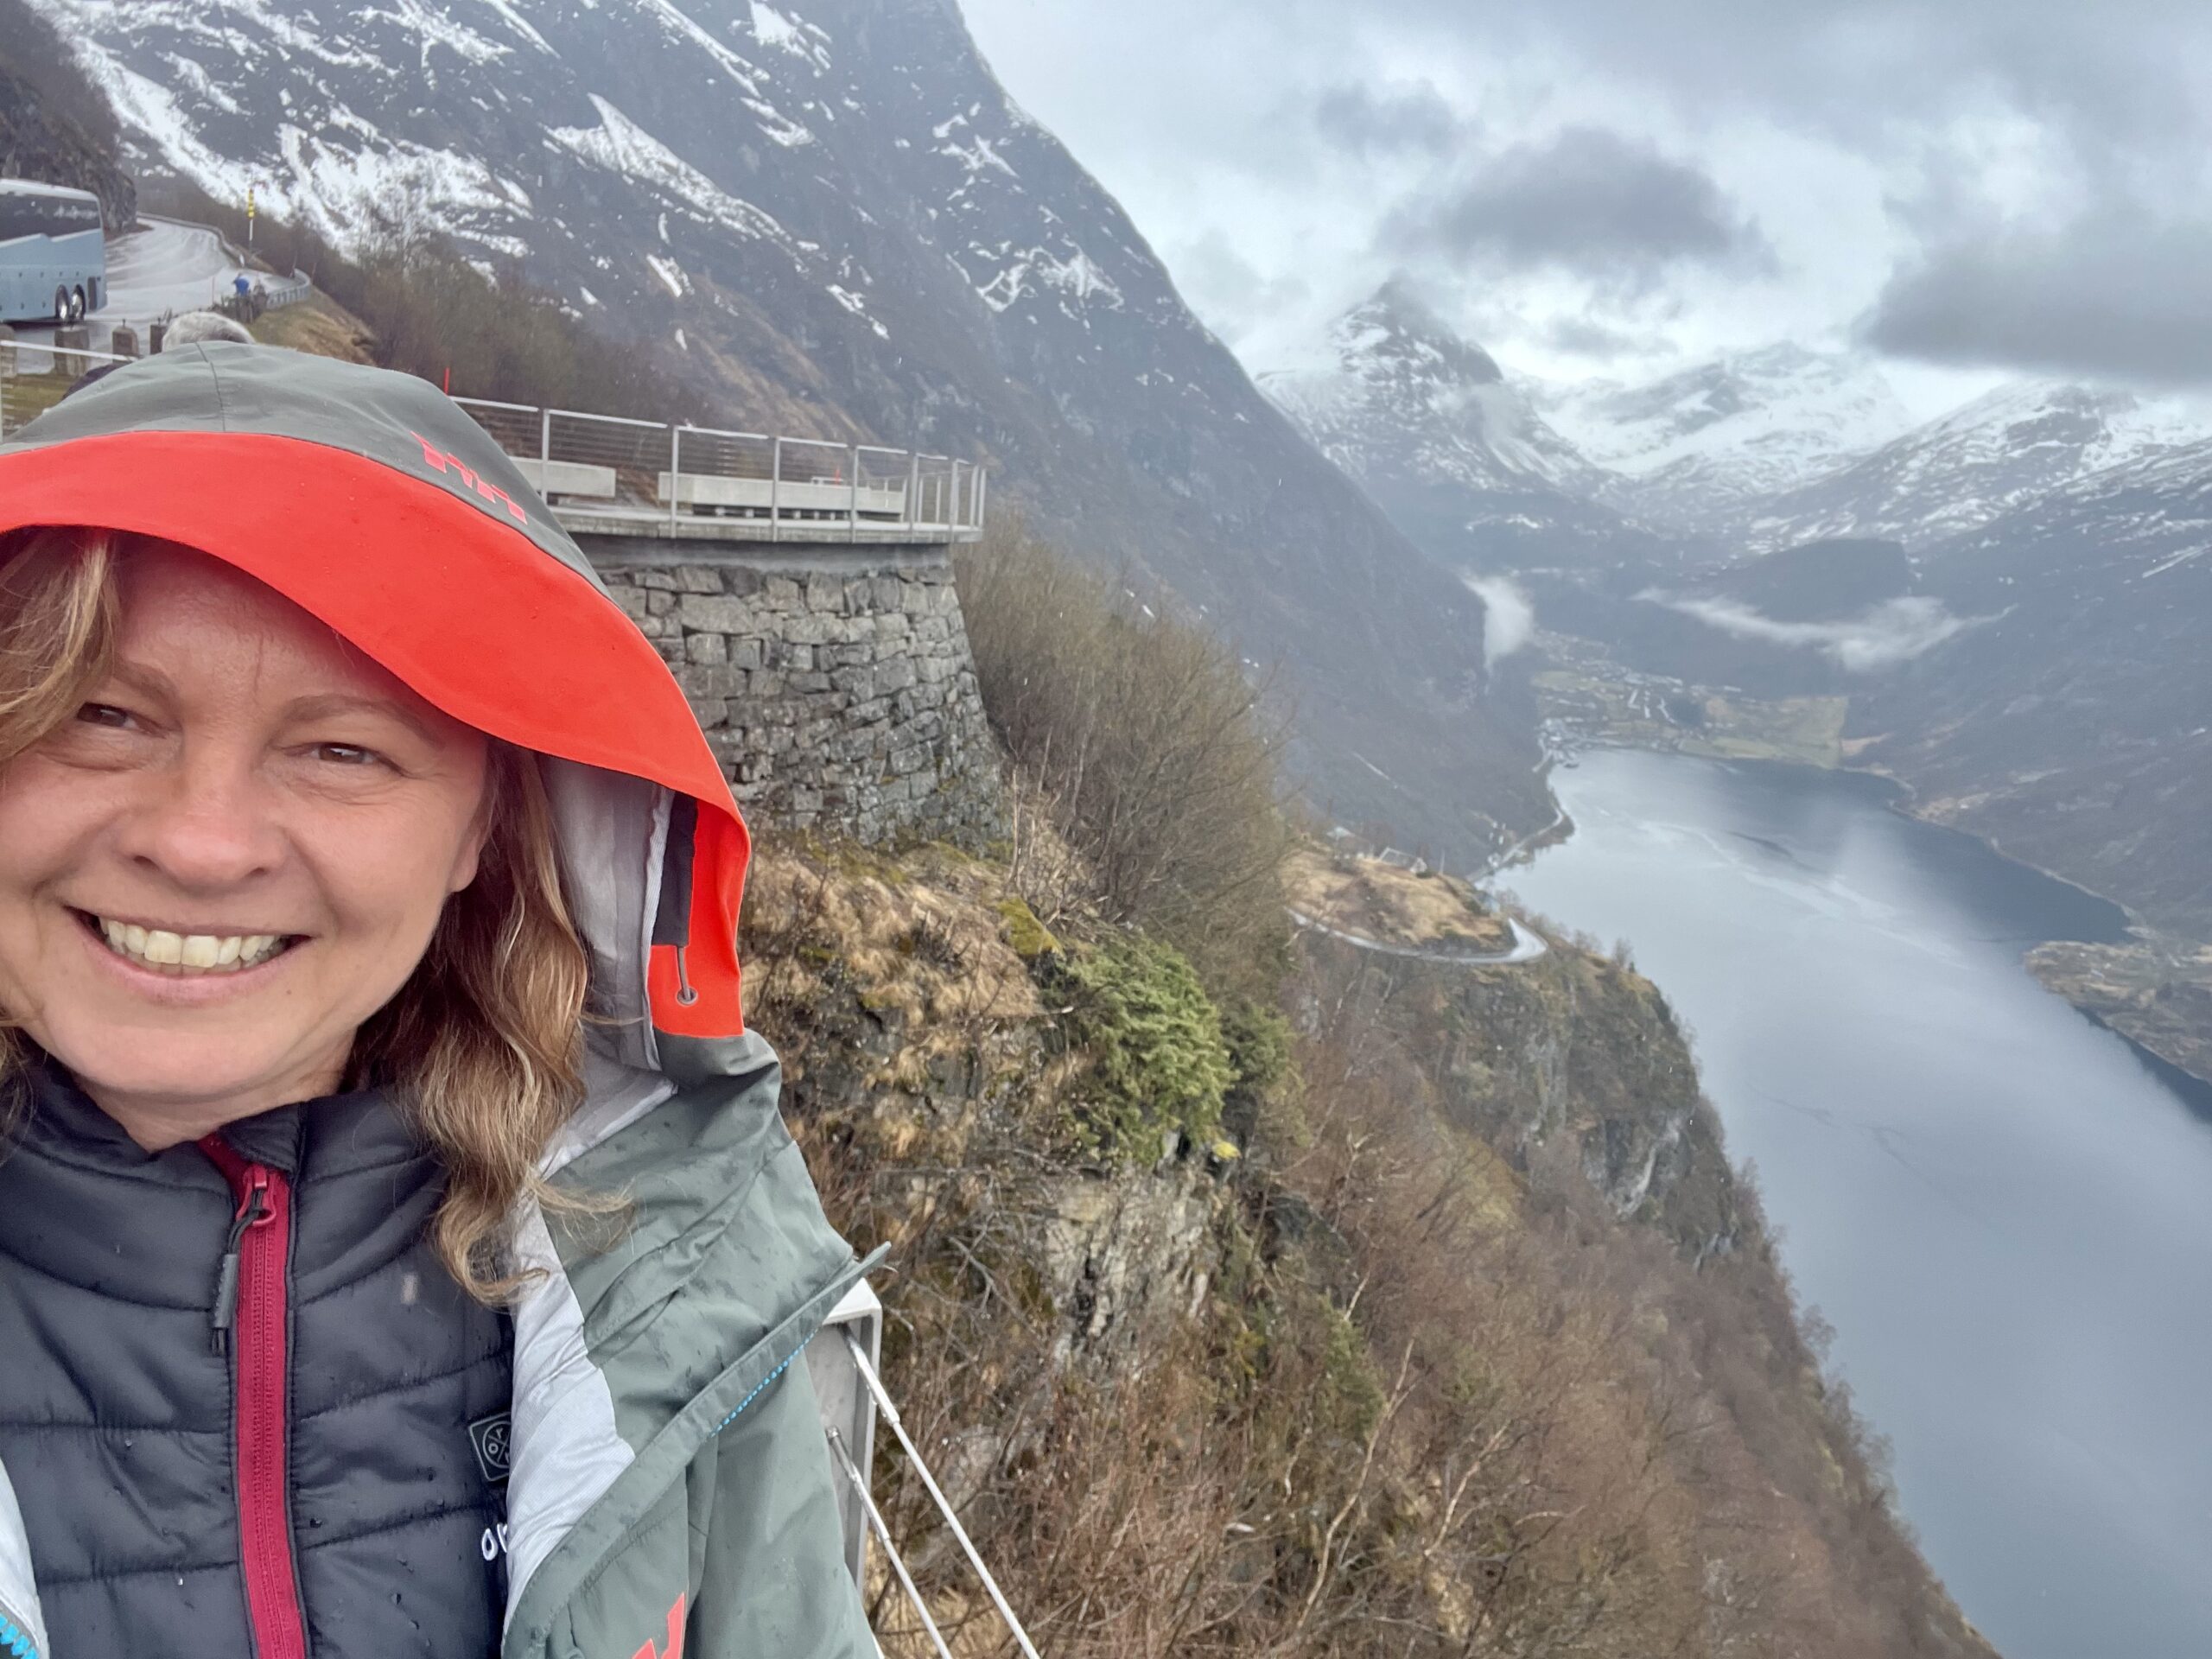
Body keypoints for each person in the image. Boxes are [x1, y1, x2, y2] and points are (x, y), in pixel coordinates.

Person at [0, 341, 879, 1659]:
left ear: (482, 833)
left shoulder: (659, 1290)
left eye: (342, 749)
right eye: (105, 714)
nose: (199, 843)